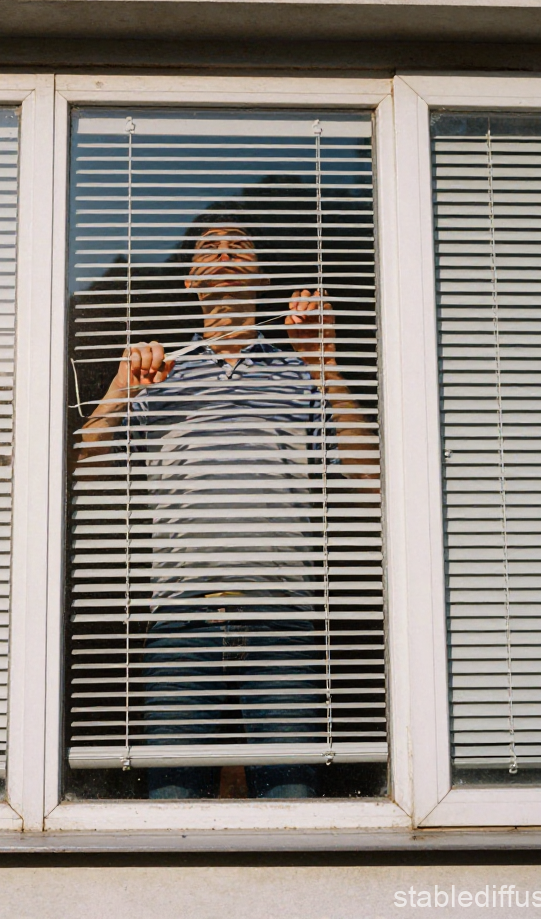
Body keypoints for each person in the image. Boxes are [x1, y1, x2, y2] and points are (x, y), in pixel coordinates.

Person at [77, 208, 379, 798]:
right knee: (171, 807)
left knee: (293, 805)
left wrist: (327, 367)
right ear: (191, 280)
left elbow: (370, 479)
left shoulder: (300, 373)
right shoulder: (160, 377)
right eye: (209, 246)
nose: (224, 252)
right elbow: (78, 475)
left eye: (239, 244)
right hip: (180, 622)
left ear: (261, 276)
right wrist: (117, 388)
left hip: (281, 620)